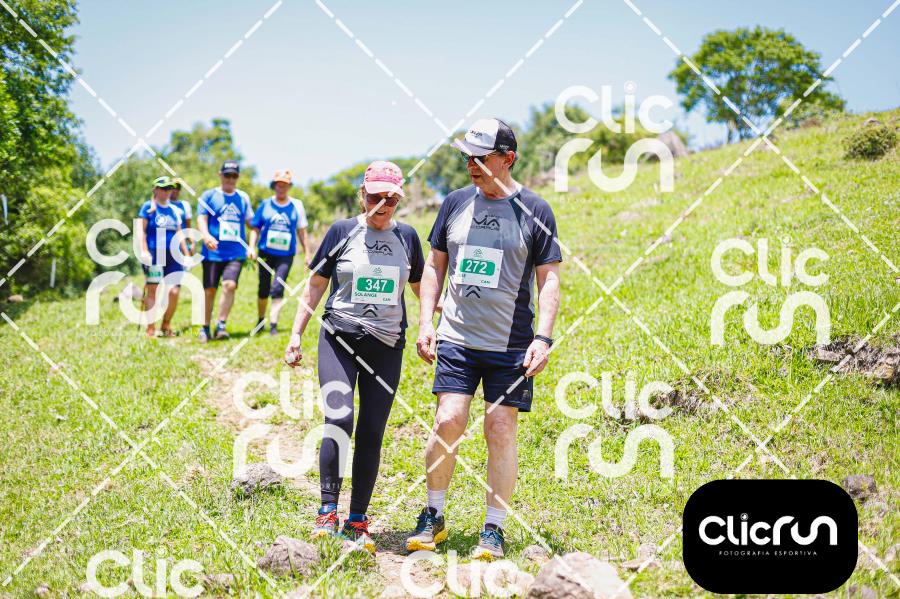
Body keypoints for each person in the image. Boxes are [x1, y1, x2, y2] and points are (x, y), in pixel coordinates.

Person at [407, 118, 562, 560]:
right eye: (467, 158)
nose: (471, 165)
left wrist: (543, 339)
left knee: (500, 428)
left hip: (510, 344)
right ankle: (434, 516)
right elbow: (434, 265)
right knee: (447, 420)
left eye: (481, 157)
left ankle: (493, 527)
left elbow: (549, 280)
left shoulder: (535, 210)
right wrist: (426, 322)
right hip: (457, 337)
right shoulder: (455, 203)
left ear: (508, 159)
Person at [284, 161, 424, 554]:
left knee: (372, 430)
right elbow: (316, 285)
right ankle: (327, 511)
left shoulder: (408, 237)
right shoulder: (342, 231)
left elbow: (421, 287)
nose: (383, 204)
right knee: (339, 418)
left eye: (391, 198)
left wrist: (434, 322)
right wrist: (295, 334)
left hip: (387, 346)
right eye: (376, 196)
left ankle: (358, 519)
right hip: (339, 338)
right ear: (363, 195)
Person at [196, 161, 253, 342]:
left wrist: (252, 246)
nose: (230, 179)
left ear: (238, 177)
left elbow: (252, 224)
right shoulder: (209, 195)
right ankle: (205, 327)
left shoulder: (243, 198)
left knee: (230, 285)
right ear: (220, 175)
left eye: (234, 175)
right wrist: (206, 236)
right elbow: (201, 218)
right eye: (227, 175)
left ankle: (221, 325)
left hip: (235, 252)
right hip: (212, 252)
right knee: (210, 290)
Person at [248, 169, 308, 335]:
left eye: (285, 185)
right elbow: (255, 228)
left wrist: (307, 253)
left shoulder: (297, 205)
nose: (281, 188)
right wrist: (251, 246)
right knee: (263, 287)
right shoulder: (265, 204)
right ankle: (261, 320)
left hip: (286, 255)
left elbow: (302, 231)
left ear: (289, 187)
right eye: (278, 185)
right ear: (274, 186)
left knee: (277, 287)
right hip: (265, 252)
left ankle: (273, 324)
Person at [137, 176, 188, 337]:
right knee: (153, 290)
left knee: (174, 291)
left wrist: (186, 254)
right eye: (164, 188)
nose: (167, 192)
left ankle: (166, 324)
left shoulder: (174, 210)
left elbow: (180, 233)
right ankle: (151, 328)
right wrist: (144, 251)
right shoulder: (148, 207)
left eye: (169, 188)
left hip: (173, 256)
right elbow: (141, 231)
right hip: (155, 254)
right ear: (155, 189)